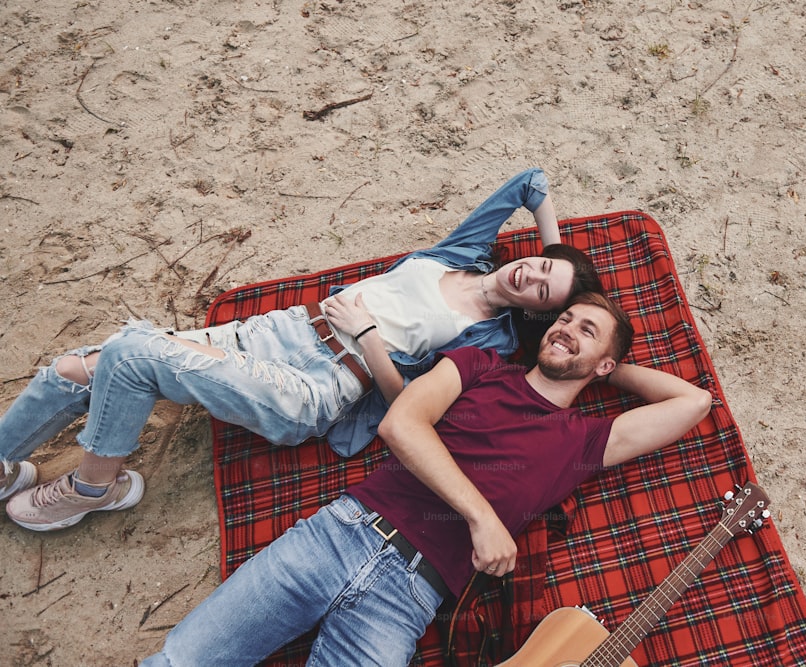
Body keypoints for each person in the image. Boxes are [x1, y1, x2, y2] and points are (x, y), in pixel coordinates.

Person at [1, 168, 604, 532]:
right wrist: (570, 268)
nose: (531, 274)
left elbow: (413, 411)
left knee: (131, 353)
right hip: (271, 333)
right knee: (71, 371)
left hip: (320, 387)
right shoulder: (464, 253)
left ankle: (92, 488)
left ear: (535, 313)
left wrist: (368, 339)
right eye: (539, 264)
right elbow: (531, 181)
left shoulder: (489, 340)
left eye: (543, 289)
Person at [139, 292, 713, 666]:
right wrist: (482, 517)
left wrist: (603, 370)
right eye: (563, 320)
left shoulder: (586, 440)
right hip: (340, 536)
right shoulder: (479, 367)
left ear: (606, 363)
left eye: (586, 331)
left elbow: (694, 401)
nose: (566, 330)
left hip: (407, 597)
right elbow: (402, 423)